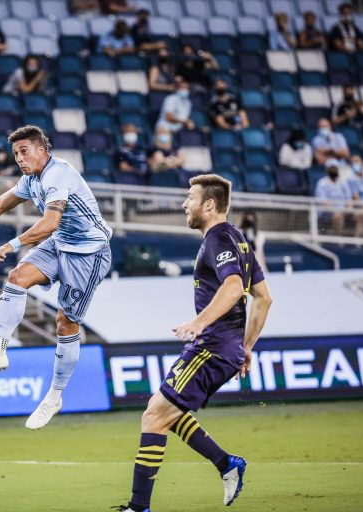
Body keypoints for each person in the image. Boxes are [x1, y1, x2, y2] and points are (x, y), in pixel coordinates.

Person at [114, 174, 272, 512]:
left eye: (190, 198)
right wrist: (246, 346)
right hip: (223, 347)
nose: (184, 204)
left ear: (209, 204)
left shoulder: (218, 239)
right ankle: (226, 464)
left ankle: (139, 508)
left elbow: (234, 288)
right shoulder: (238, 240)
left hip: (211, 347)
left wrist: (199, 323)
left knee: (154, 417)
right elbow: (264, 298)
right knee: (163, 411)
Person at [0, 125, 113, 430]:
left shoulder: (59, 174)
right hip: (60, 243)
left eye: (24, 151)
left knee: (65, 323)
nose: (19, 159)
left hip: (89, 253)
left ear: (42, 150)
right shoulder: (30, 180)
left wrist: (12, 244)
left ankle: (54, 397)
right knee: (17, 277)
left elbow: (50, 223)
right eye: (16, 154)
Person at [315, 164, 352, 235]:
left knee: (361, 215)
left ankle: (358, 240)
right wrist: (335, 209)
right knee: (337, 215)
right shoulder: (322, 183)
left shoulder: (343, 182)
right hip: (327, 211)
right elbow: (322, 202)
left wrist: (349, 209)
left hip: (343, 209)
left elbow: (348, 199)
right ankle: (338, 238)